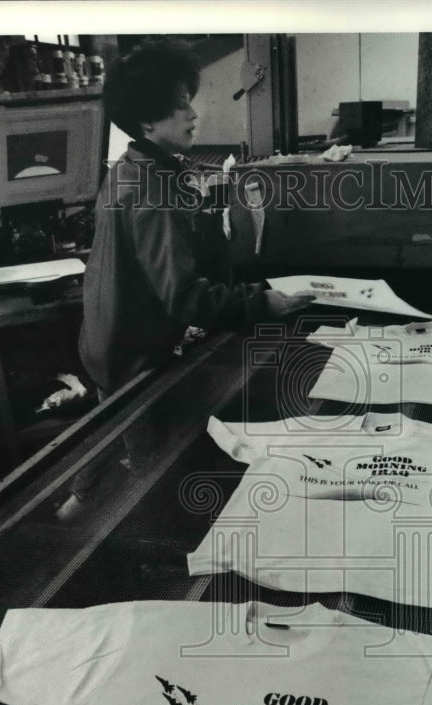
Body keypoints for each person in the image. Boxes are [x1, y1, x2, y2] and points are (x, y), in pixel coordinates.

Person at [56, 37, 313, 521]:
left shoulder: (129, 168)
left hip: (104, 344)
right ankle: (137, 544)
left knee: (108, 429)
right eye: (180, 107)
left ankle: (72, 509)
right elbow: (185, 297)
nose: (193, 115)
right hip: (133, 358)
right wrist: (262, 302)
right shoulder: (152, 191)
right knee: (153, 471)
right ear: (148, 121)